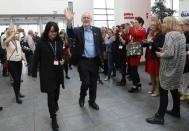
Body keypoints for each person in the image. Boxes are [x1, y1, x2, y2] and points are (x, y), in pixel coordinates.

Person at [146, 16, 186, 125]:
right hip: (178, 68)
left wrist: (160, 54)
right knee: (174, 89)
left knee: (163, 89)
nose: (162, 24)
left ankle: (159, 116)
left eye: (164, 22)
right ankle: (176, 110)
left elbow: (169, 53)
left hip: (169, 68)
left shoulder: (169, 35)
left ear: (169, 24)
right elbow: (176, 50)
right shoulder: (181, 35)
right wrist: (165, 49)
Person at [65, 9, 103, 110]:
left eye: (88, 17)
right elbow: (70, 33)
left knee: (94, 83)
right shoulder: (77, 30)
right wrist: (69, 21)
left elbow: (100, 44)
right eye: (84, 18)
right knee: (86, 82)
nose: (86, 19)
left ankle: (92, 101)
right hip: (83, 61)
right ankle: (82, 97)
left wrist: (101, 59)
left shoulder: (97, 30)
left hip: (95, 61)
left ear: (91, 19)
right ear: (82, 19)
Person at [32, 22, 64, 131]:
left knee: (56, 95)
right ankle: (53, 118)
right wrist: (34, 72)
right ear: (47, 31)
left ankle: (55, 103)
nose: (53, 34)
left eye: (55, 32)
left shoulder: (59, 41)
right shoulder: (41, 42)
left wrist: (62, 59)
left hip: (58, 72)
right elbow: (36, 57)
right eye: (51, 32)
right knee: (50, 96)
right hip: (47, 73)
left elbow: (61, 54)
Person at [4, 27, 26, 104]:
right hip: (11, 62)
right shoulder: (6, 41)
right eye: (12, 31)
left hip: (19, 62)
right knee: (16, 79)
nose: (14, 32)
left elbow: (20, 51)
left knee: (18, 79)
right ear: (9, 32)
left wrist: (23, 32)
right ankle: (17, 96)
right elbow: (7, 40)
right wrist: (16, 31)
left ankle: (18, 92)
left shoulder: (17, 41)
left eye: (14, 31)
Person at [145, 16, 164, 97]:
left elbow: (160, 45)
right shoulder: (150, 33)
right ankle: (153, 88)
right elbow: (147, 43)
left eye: (153, 25)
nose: (151, 27)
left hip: (156, 56)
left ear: (157, 25)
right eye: (151, 25)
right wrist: (146, 41)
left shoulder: (161, 34)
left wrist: (151, 42)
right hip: (150, 55)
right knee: (151, 73)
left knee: (157, 74)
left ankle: (157, 90)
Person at [127, 17, 146, 93]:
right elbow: (130, 37)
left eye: (136, 22)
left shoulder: (142, 30)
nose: (134, 24)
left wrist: (131, 27)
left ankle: (135, 85)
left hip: (136, 52)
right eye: (134, 22)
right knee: (133, 69)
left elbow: (135, 34)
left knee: (133, 69)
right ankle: (137, 83)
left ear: (140, 23)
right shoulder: (136, 30)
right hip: (133, 50)